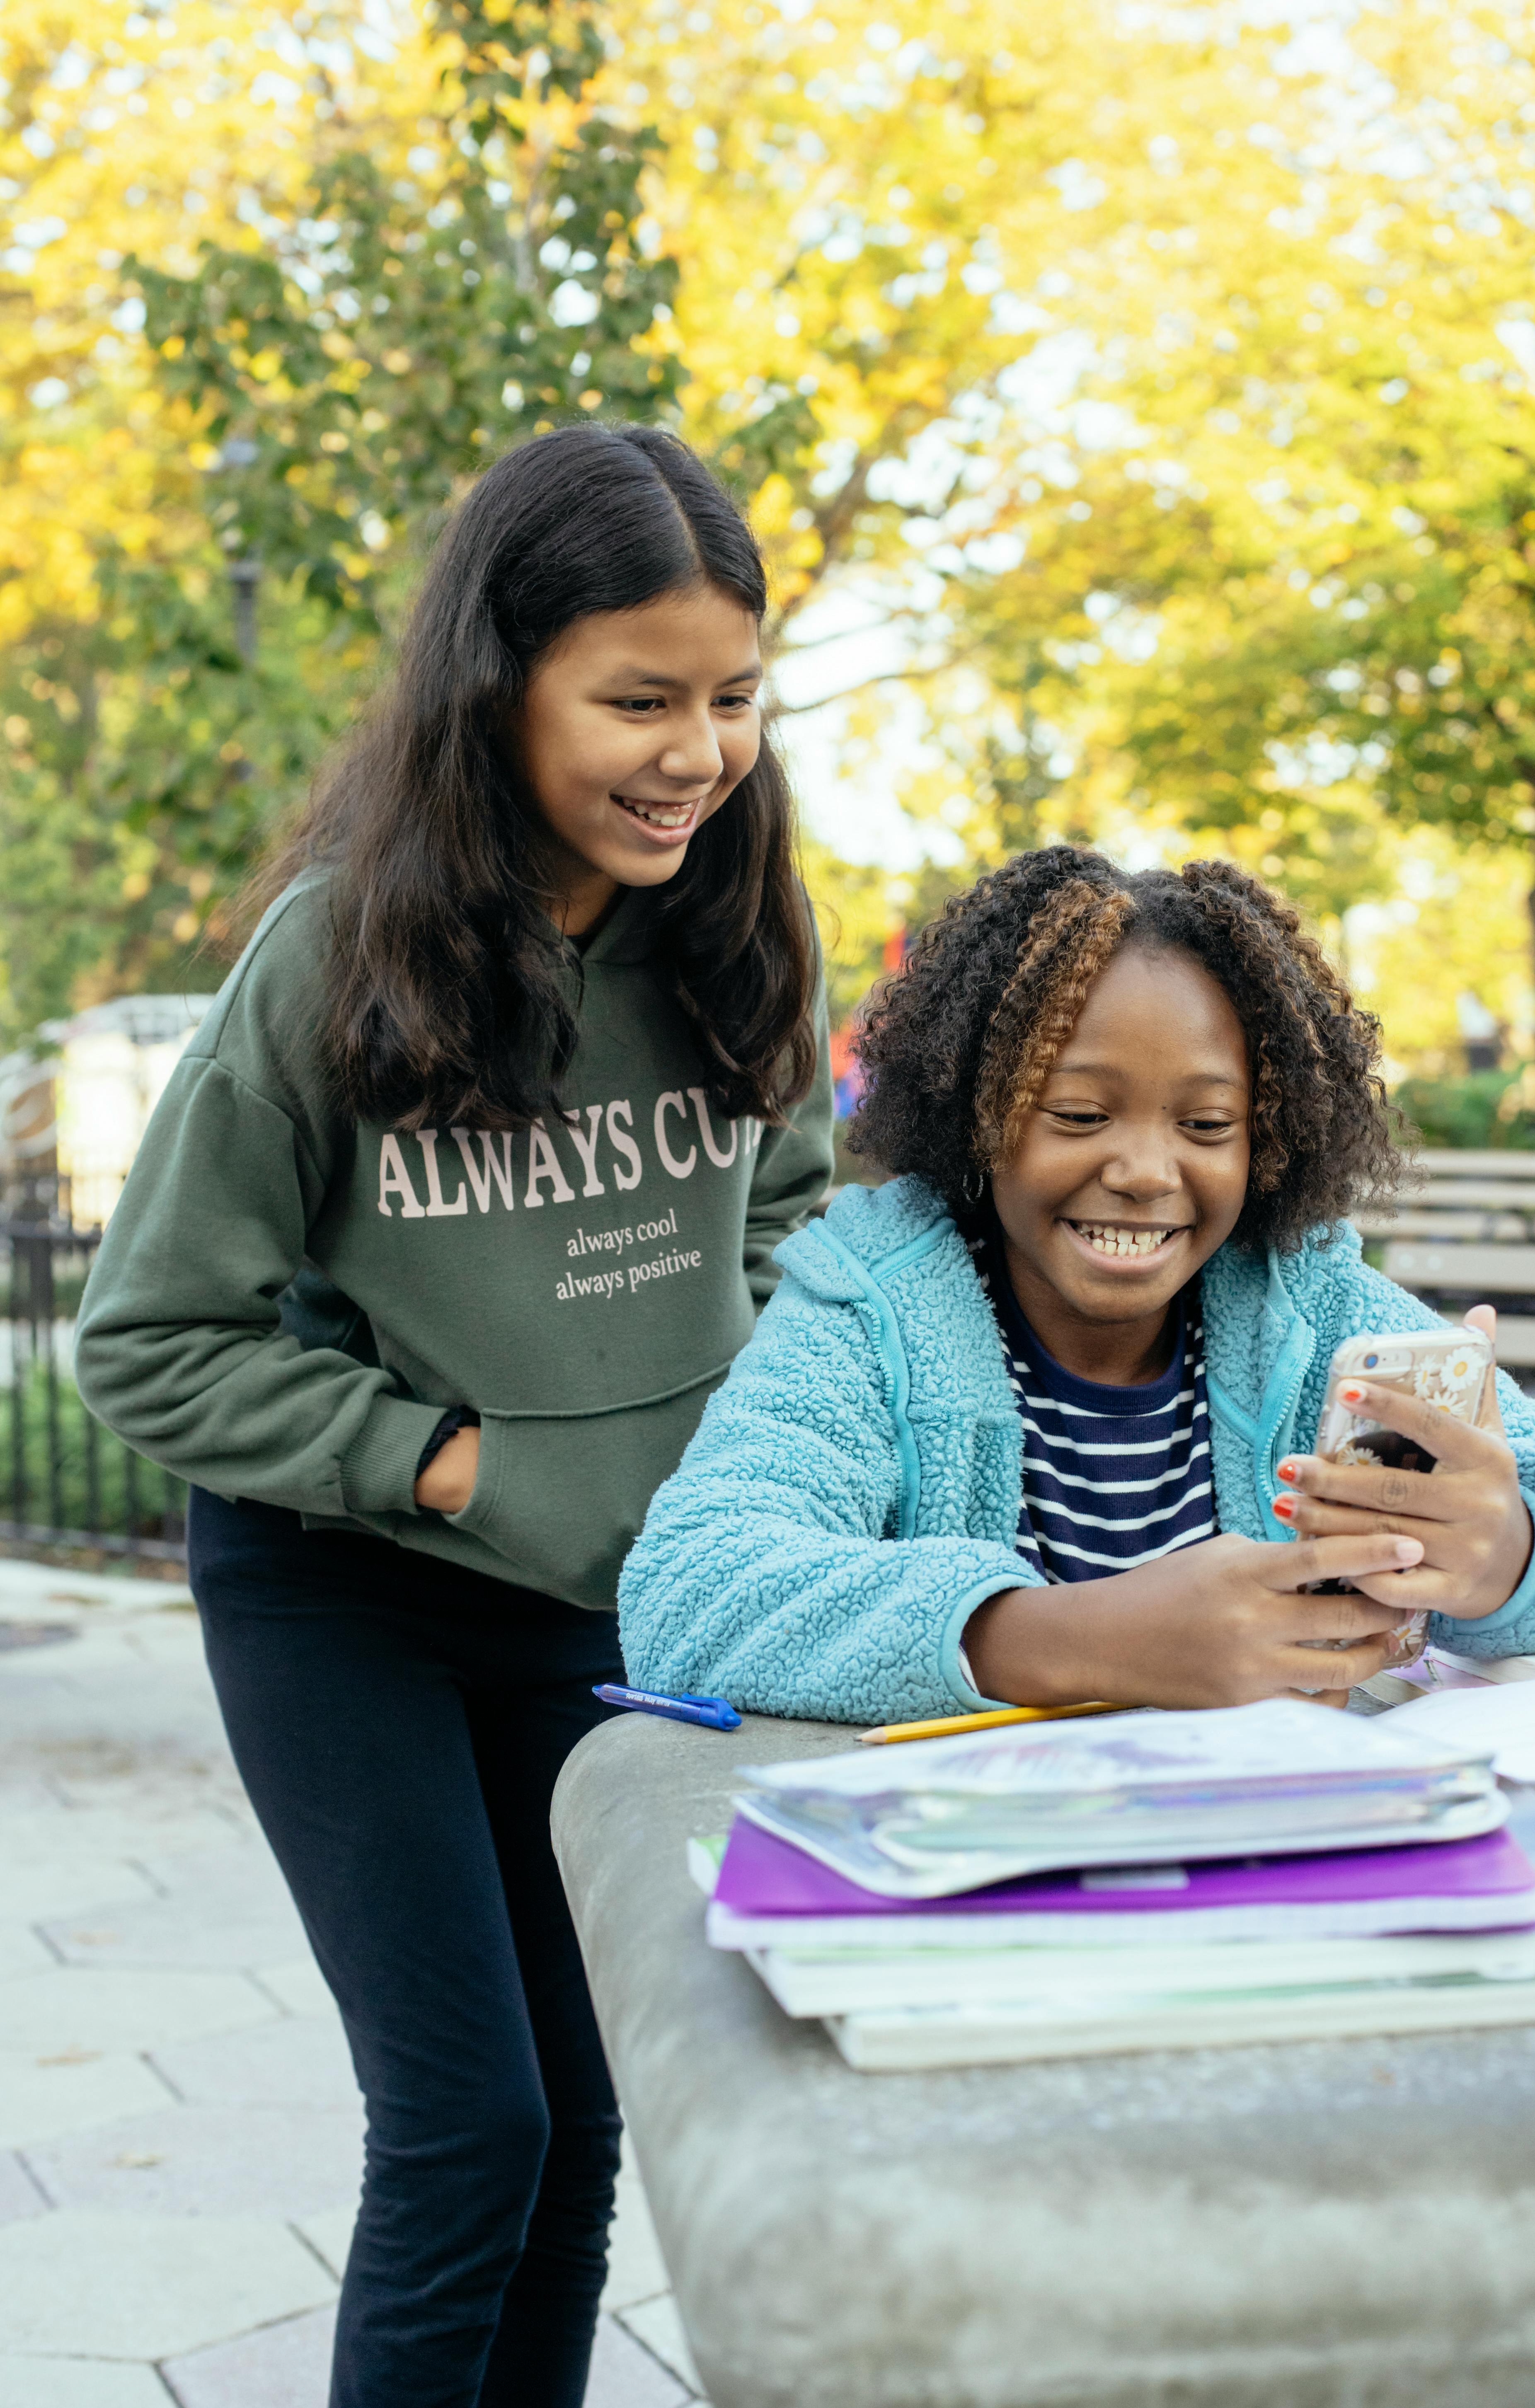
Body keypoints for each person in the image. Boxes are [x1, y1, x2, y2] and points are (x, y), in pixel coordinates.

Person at [74, 424, 833, 2408]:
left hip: (606, 1615)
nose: (696, 750)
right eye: (638, 699)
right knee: (466, 2125)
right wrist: (445, 1456)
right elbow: (149, 1337)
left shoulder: (735, 940)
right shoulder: (337, 962)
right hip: (357, 1602)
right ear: (499, 690)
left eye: (732, 696)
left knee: (585, 2138)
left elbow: (797, 1216)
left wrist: (722, 1442)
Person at [618, 848, 1535, 1723]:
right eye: (1079, 1114)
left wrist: (1511, 1548)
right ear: (974, 1114)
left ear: (1267, 1139)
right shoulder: (871, 1309)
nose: (1144, 1170)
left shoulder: (1309, 1305)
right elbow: (690, 1590)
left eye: (1207, 1126)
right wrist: (1073, 1638)